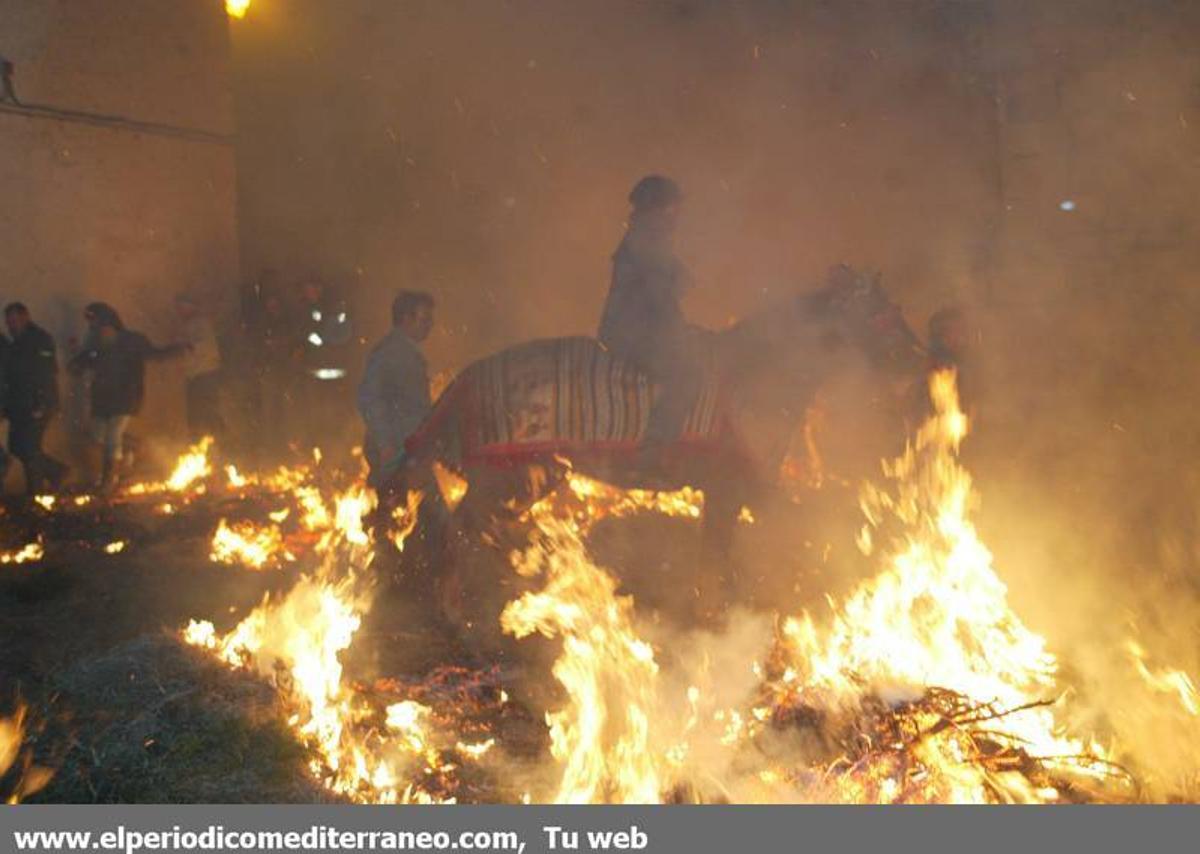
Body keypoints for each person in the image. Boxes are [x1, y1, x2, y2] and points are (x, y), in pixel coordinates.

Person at [598, 175, 704, 451]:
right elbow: (659, 298)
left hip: (635, 329)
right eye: (673, 207)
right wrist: (679, 329)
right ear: (659, 207)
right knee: (687, 375)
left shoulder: (646, 237)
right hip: (632, 334)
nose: (678, 215)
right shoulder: (649, 238)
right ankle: (652, 450)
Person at [68, 303, 187, 492]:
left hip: (126, 397)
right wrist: (75, 362)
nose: (97, 329)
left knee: (112, 438)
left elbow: (154, 354)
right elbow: (84, 362)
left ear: (110, 323)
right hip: (102, 399)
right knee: (98, 435)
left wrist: (175, 350)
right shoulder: (96, 344)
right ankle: (131, 447)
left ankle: (108, 480)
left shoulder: (133, 340)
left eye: (99, 324)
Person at [357, 291, 434, 490]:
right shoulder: (390, 353)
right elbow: (370, 398)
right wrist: (385, 444)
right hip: (395, 450)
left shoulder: (407, 352)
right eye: (424, 319)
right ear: (406, 319)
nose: (430, 325)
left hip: (409, 448)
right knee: (399, 510)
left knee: (418, 510)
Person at [2, 303, 68, 494]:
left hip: (38, 404)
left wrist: (42, 402)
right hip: (20, 406)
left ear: (26, 317)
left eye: (14, 320)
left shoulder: (39, 339)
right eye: (8, 322)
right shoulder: (14, 343)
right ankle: (56, 472)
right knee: (16, 447)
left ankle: (36, 491)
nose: (11, 325)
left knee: (29, 448)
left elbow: (46, 373)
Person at [294, 277, 356, 454]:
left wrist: (321, 339)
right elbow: (304, 334)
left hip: (334, 374)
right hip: (314, 373)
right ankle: (319, 449)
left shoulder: (334, 309)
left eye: (310, 289)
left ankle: (337, 450)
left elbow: (342, 335)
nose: (307, 293)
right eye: (305, 290)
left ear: (319, 288)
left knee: (335, 413)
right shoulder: (307, 309)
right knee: (315, 414)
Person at [173, 294, 224, 442]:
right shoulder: (187, 325)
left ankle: (220, 442)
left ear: (191, 306)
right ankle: (197, 444)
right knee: (195, 415)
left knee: (207, 411)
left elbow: (206, 347)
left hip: (205, 375)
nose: (179, 310)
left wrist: (187, 345)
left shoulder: (202, 324)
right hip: (194, 376)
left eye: (182, 306)